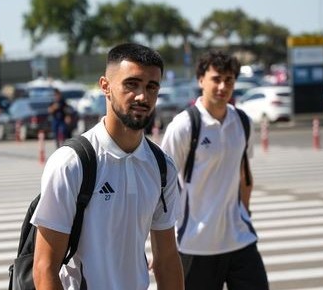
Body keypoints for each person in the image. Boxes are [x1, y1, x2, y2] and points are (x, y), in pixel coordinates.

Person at [31, 43, 184, 290]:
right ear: (105, 86)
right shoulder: (71, 163)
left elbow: (166, 260)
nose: (142, 96)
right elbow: (44, 267)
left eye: (151, 87)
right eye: (131, 84)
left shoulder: (162, 166)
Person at [161, 50, 269, 290]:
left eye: (229, 80)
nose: (222, 86)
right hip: (195, 243)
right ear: (201, 80)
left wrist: (244, 212)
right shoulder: (185, 125)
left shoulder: (242, 122)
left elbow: (244, 174)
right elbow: (162, 185)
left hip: (239, 239)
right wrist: (162, 244)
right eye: (216, 79)